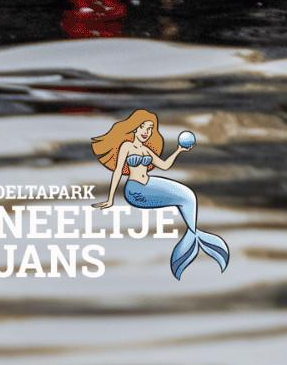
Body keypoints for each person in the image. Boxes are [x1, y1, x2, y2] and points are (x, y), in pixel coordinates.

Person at [91, 110, 230, 276]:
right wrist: (110, 199)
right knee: (183, 199)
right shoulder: (126, 146)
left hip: (149, 184)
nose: (146, 132)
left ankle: (194, 236)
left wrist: (179, 150)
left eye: (150, 129)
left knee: (188, 196)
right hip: (136, 191)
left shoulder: (146, 149)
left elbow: (164, 166)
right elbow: (118, 171)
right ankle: (191, 243)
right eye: (144, 127)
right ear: (134, 128)